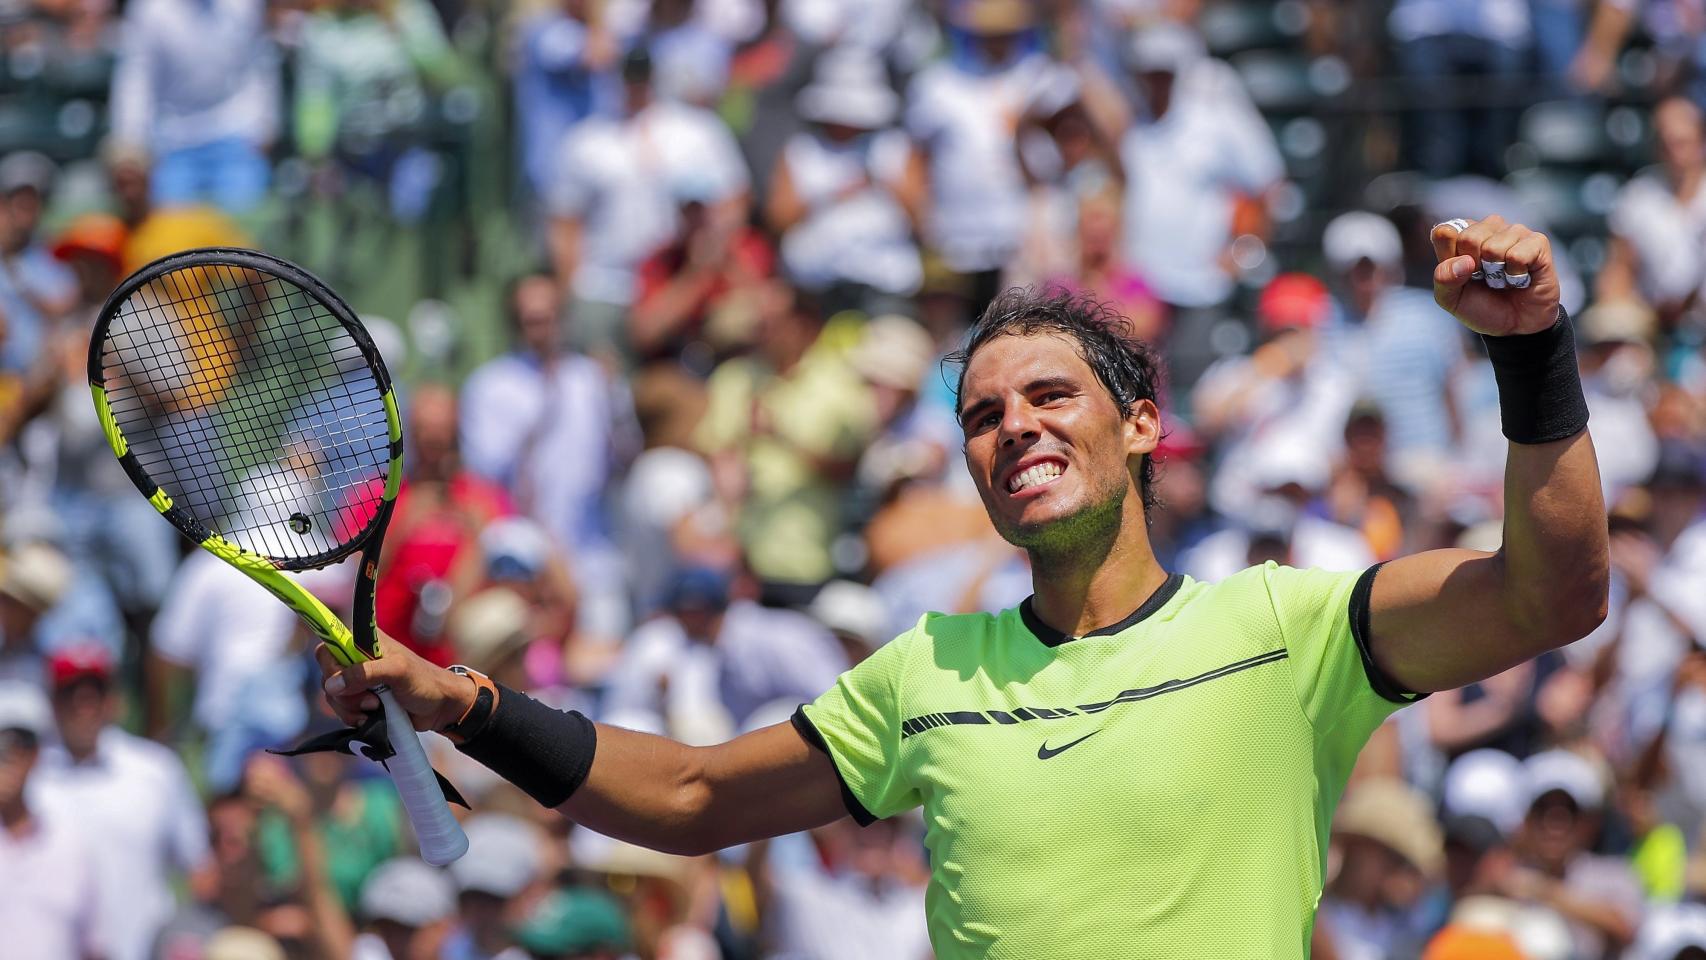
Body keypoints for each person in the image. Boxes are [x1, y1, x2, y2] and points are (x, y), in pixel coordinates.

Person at [318, 216, 1610, 958]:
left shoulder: (1286, 625)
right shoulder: (928, 670)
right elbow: (696, 795)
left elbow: (1549, 595)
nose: (1014, 427)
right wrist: (467, 705)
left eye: (1050, 395)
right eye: (982, 416)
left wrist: (1532, 357)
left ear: (1142, 427)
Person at [460, 272, 636, 648]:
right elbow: (484, 476)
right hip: (520, 566)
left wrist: (615, 399)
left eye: (551, 316)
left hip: (591, 554)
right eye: (532, 320)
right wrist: (543, 410)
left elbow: (625, 458)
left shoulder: (591, 378)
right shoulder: (490, 386)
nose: (543, 329)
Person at [545, 47, 750, 366]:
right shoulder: (586, 141)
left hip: (677, 285)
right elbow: (565, 224)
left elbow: (734, 201)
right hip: (605, 287)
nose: (636, 84)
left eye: (642, 74)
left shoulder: (698, 132)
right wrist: (570, 293)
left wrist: (706, 265)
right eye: (629, 75)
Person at [31, 647, 209, 960]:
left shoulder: (156, 770)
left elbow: (199, 867)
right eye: (70, 693)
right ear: (53, 703)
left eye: (95, 693)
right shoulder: (32, 779)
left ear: (113, 700)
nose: (83, 705)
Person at [106, 0, 278, 212]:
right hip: (172, 142)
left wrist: (265, 123)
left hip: (236, 137)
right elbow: (136, 80)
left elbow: (259, 65)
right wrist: (131, 140)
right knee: (173, 226)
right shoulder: (148, 10)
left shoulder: (245, 5)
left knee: (244, 222)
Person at [0, 681, 102, 960]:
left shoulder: (69, 842)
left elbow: (93, 946)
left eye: (18, 745)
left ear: (35, 754)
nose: (7, 758)